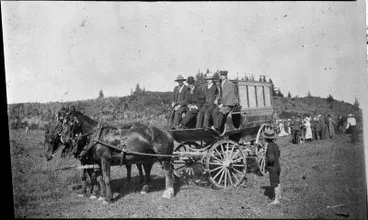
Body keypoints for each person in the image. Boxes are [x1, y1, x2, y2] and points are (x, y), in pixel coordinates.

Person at [264, 128, 282, 205]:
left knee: (274, 184)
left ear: (266, 138)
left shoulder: (269, 147)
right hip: (278, 166)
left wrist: (267, 162)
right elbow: (278, 154)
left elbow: (271, 158)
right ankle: (279, 196)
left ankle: (276, 200)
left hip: (273, 168)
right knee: (277, 182)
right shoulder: (275, 145)